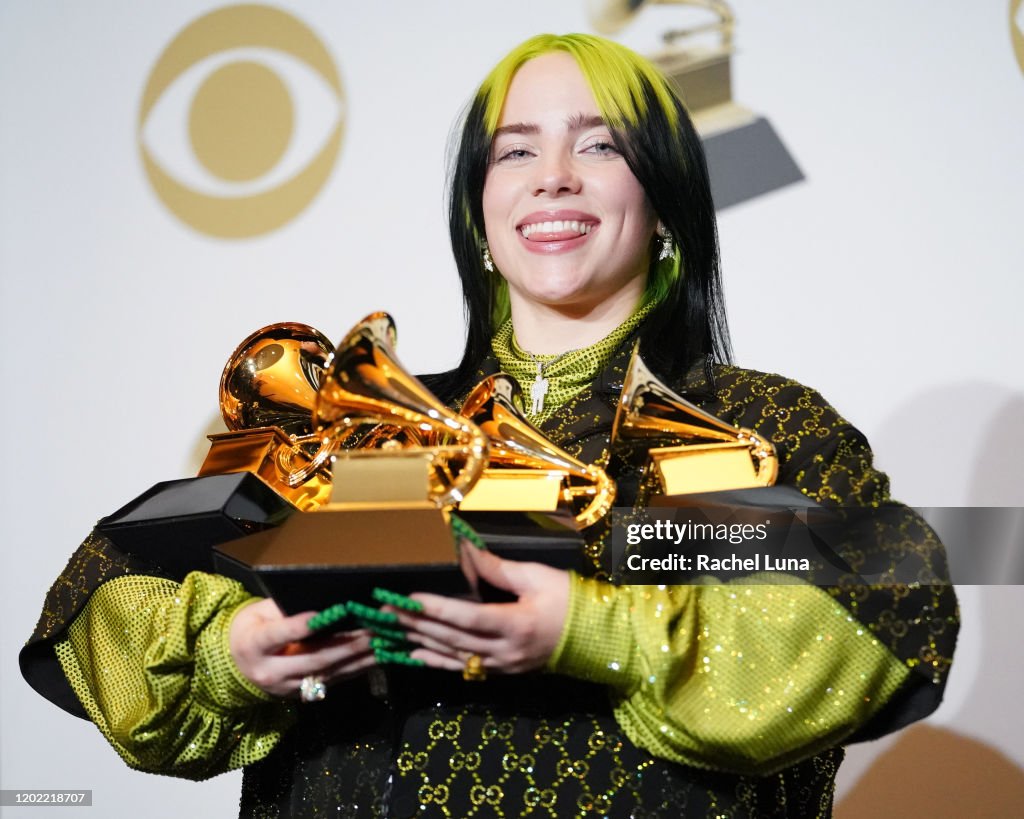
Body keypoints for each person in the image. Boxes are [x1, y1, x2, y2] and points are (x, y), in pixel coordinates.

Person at [21, 33, 957, 818]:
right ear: (478, 216)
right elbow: (104, 607)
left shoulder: (764, 423)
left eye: (599, 146)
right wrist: (237, 651)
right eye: (515, 152)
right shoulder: (352, 433)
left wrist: (590, 630)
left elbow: (863, 624)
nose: (551, 178)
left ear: (666, 205)